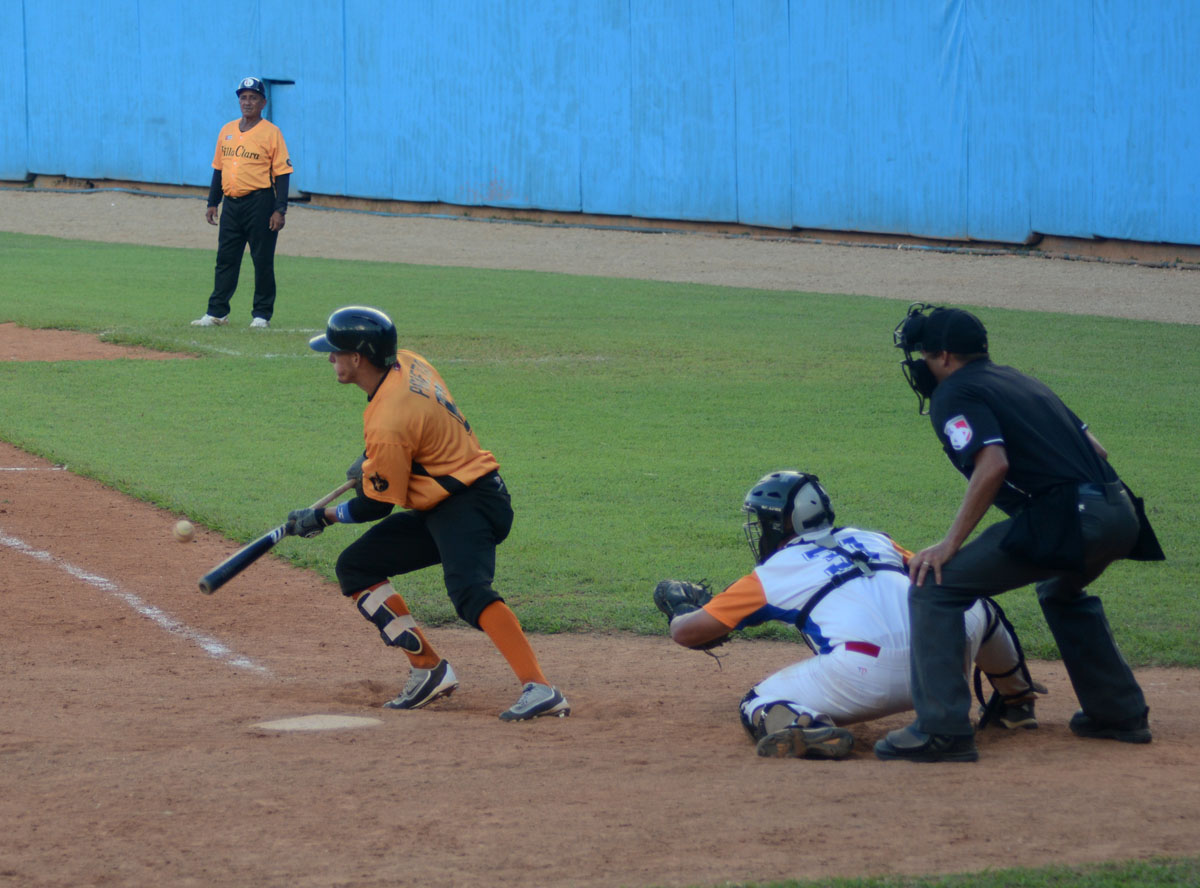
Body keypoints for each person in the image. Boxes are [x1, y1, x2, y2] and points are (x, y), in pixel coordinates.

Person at [876, 303, 1161, 763]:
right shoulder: (1019, 380)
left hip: (1074, 517)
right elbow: (1099, 450)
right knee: (1060, 591)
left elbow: (993, 465)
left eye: (925, 356)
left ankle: (942, 730)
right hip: (1120, 511)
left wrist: (949, 545)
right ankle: (1119, 713)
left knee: (935, 586)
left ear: (945, 357)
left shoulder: (955, 394)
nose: (922, 366)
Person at [283, 305, 570, 721]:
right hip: (442, 501)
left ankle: (541, 689)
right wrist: (369, 464)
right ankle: (429, 669)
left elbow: (375, 505)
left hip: (471, 503)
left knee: (469, 592)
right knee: (357, 567)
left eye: (336, 351)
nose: (330, 358)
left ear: (358, 358)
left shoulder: (389, 420)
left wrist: (324, 517)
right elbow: (417, 435)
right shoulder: (407, 362)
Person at [661, 470, 1040, 760]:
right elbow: (932, 580)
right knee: (979, 606)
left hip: (866, 677)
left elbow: (690, 633)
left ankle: (803, 726)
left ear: (778, 524)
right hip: (944, 661)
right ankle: (1016, 701)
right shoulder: (874, 539)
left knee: (756, 701)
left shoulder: (772, 574)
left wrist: (680, 610)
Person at [192, 76, 293, 330]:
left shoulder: (271, 133)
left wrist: (280, 209)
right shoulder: (226, 130)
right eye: (243, 97)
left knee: (262, 260)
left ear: (263, 103)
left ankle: (261, 315)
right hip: (232, 205)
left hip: (260, 203)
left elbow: (282, 172)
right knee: (226, 259)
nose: (247, 102)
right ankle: (217, 312)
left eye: (253, 98)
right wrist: (213, 201)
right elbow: (219, 168)